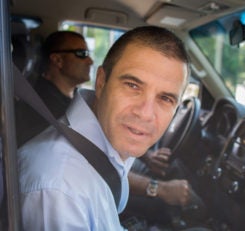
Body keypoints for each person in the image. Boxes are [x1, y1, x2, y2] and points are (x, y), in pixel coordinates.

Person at [17, 26, 190, 230]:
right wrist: (157, 188)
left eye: (165, 98)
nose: (145, 113)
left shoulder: (97, 141)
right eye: (132, 86)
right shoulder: (61, 189)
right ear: (100, 82)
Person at [15, 31, 93, 147]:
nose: (90, 61)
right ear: (58, 60)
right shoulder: (41, 107)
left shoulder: (75, 99)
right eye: (82, 53)